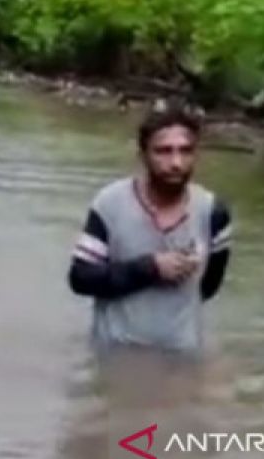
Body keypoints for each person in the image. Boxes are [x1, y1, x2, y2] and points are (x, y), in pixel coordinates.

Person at [67, 104, 232, 353]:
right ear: (142, 154)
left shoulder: (213, 212)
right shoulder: (110, 204)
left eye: (185, 151)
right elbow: (81, 278)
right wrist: (150, 268)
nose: (176, 163)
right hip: (116, 353)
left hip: (182, 356)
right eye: (163, 152)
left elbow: (208, 287)